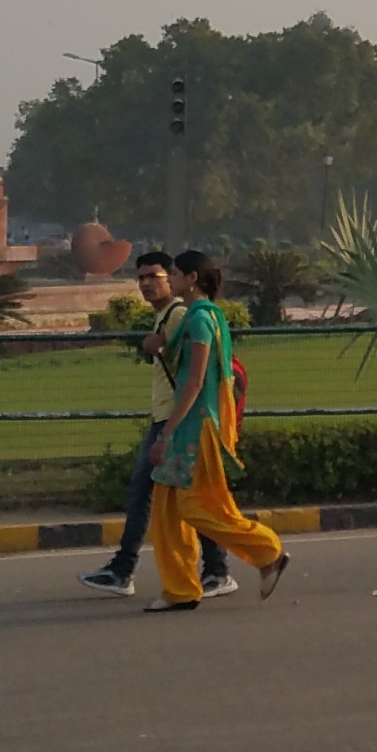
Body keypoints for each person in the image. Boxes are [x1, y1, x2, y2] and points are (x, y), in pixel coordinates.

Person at [135, 252, 289, 612]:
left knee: (197, 506)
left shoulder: (201, 319)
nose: (168, 279)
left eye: (172, 273)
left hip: (196, 425)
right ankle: (181, 588)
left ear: (191, 278)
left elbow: (194, 382)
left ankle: (268, 551)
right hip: (189, 423)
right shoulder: (193, 317)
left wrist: (166, 434)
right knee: (168, 507)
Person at [79, 253, 235, 599]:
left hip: (175, 418)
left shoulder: (181, 313)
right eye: (141, 278)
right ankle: (212, 569)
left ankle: (128, 568)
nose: (147, 283)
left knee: (150, 490)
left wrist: (156, 345)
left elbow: (189, 366)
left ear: (178, 279)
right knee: (181, 495)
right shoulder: (168, 315)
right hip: (168, 415)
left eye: (156, 275)